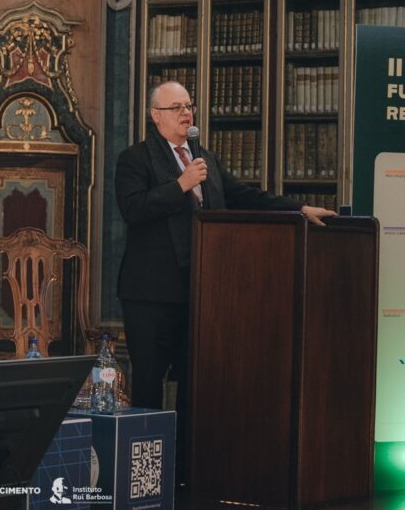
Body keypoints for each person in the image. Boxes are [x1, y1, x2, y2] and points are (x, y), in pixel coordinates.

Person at [114, 80, 336, 463]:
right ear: (155, 116)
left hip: (201, 289)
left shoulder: (206, 159)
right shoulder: (136, 159)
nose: (186, 113)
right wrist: (181, 184)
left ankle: (185, 468)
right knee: (149, 384)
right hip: (150, 295)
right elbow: (133, 210)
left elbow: (247, 196)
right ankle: (145, 472)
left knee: (193, 384)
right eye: (176, 107)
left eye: (189, 105)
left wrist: (299, 209)